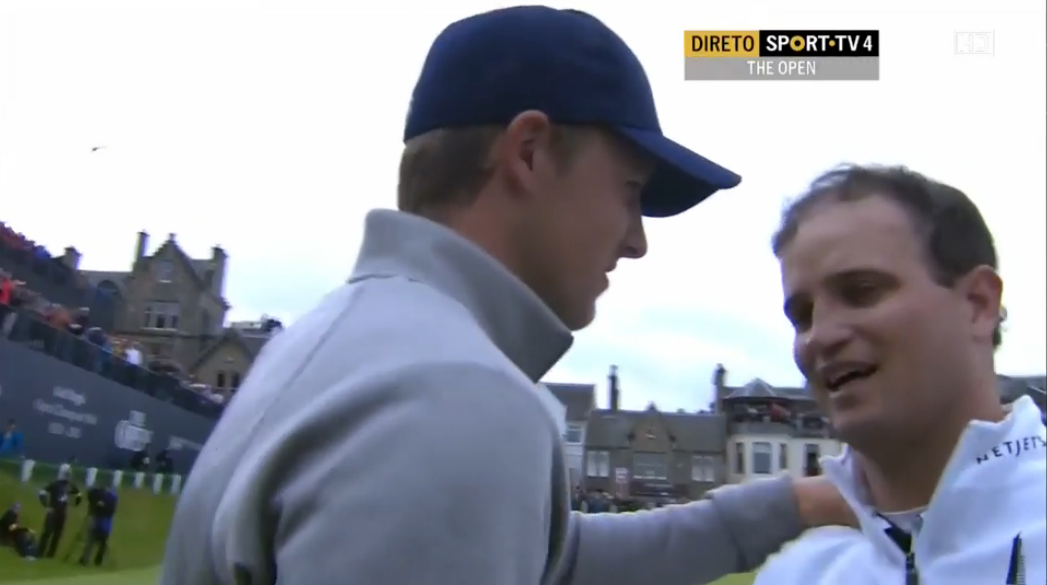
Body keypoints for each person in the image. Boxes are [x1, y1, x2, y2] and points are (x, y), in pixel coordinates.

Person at [159, 7, 856, 585]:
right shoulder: (453, 392)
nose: (635, 240)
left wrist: (792, 503)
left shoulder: (344, 342)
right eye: (630, 193)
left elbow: (553, 557)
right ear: (527, 153)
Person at [754, 165, 1047, 584]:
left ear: (978, 304)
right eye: (803, 316)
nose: (821, 336)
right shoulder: (796, 574)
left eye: (862, 292)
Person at [37, 467, 82, 558]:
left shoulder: (70, 485)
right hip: (54, 511)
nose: (68, 476)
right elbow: (42, 493)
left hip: (61, 513)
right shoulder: (56, 484)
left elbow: (79, 495)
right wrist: (46, 505)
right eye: (67, 474)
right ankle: (40, 552)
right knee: (48, 533)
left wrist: (75, 503)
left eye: (68, 474)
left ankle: (50, 554)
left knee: (56, 535)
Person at [80, 486, 118, 566]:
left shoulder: (101, 496)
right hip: (104, 524)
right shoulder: (112, 498)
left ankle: (86, 560)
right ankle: (96, 560)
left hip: (99, 522)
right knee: (100, 543)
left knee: (91, 541)